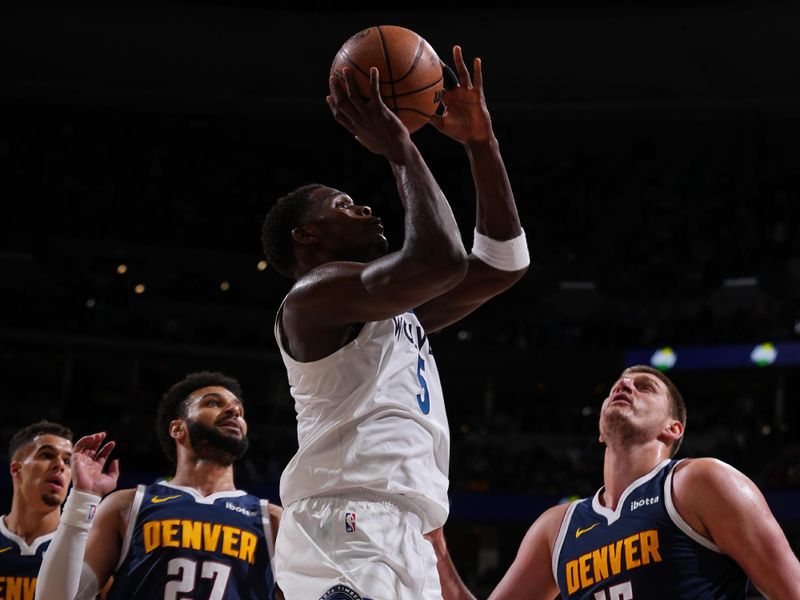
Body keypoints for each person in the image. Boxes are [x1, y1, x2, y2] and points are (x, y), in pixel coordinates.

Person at [260, 44, 529, 600]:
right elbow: (442, 260)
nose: (365, 208)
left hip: (406, 529)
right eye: (342, 205)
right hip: (347, 519)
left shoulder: (393, 312)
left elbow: (505, 262)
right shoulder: (312, 299)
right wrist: (398, 145)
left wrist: (482, 144)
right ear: (306, 237)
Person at [428, 365, 800, 599]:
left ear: (673, 428)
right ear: (601, 432)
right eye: (619, 385)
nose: (625, 385)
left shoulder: (700, 482)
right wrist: (437, 550)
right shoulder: (555, 528)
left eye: (645, 386)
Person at [35, 371, 283, 600]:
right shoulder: (128, 505)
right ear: (178, 429)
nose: (233, 410)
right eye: (213, 403)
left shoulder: (272, 520)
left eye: (239, 408)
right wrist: (82, 498)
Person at [1, 421, 73, 599]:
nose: (60, 465)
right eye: (47, 455)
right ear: (17, 469)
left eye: (67, 461)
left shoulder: (87, 548)